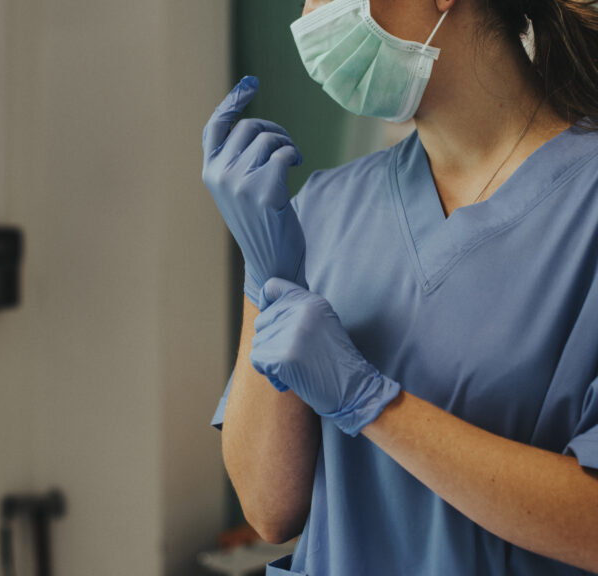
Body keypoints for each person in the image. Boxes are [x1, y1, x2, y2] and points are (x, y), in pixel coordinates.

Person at [203, 0, 598, 574]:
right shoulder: (320, 210)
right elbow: (269, 510)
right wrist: (269, 276)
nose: (311, 14)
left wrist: (370, 403)